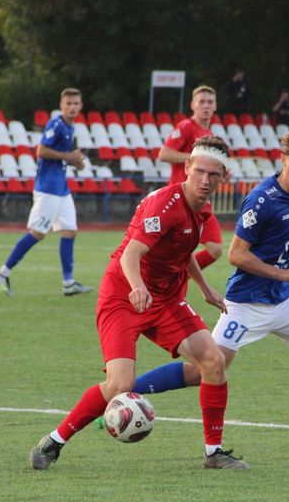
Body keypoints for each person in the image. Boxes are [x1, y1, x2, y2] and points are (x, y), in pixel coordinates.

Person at [122, 128, 289, 456]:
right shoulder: (261, 199)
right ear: (282, 161)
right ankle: (124, 396)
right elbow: (237, 254)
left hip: (282, 300)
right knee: (203, 370)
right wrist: (284, 272)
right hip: (246, 305)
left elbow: (282, 226)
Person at [30, 136, 249, 471]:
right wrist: (137, 287)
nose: (205, 180)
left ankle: (214, 453)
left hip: (165, 298)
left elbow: (183, 249)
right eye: (200, 172)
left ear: (224, 177)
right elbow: (131, 254)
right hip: (123, 294)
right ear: (186, 168)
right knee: (120, 384)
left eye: (213, 175)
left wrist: (204, 288)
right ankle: (54, 441)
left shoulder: (202, 208)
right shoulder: (164, 204)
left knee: (213, 361)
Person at [0, 88, 94, 297]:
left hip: (61, 188)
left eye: (76, 103)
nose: (73, 107)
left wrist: (75, 162)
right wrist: (68, 155)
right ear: (61, 105)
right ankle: (3, 272)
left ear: (81, 106)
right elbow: (42, 151)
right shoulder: (55, 124)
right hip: (48, 188)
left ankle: (68, 283)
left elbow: (62, 157)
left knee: (70, 230)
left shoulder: (70, 127)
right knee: (38, 233)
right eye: (69, 103)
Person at [157, 85, 224, 272]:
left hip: (201, 201)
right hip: (182, 198)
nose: (206, 106)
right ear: (193, 105)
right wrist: (195, 159)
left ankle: (178, 276)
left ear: (215, 106)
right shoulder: (186, 127)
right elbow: (164, 154)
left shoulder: (209, 135)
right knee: (171, 249)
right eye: (201, 102)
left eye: (210, 102)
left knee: (215, 249)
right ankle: (168, 278)